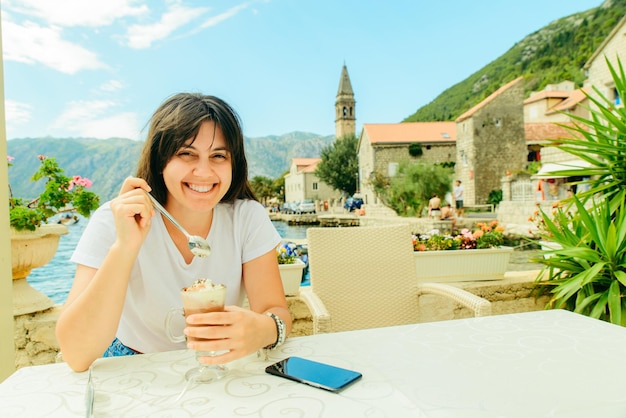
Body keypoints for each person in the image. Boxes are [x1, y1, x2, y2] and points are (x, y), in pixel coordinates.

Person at [56, 93, 292, 372]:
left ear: (234, 163)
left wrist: (263, 330)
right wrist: (125, 246)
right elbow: (75, 354)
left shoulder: (246, 217)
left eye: (218, 156)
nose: (204, 172)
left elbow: (275, 311)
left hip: (221, 365)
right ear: (160, 159)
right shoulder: (115, 219)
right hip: (133, 365)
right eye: (186, 153)